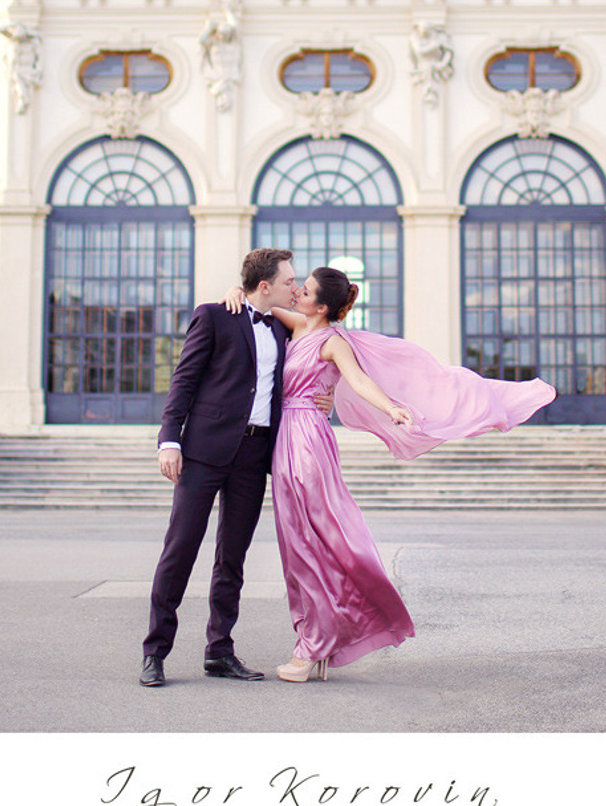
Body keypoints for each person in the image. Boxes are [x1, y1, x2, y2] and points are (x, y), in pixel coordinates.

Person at [222, 265, 556, 682]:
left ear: (322, 307)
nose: (296, 293)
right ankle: (318, 639)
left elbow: (360, 381)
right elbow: (260, 305)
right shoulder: (298, 325)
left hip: (306, 441)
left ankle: (313, 646)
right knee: (298, 544)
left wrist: (392, 407)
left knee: (311, 542)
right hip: (285, 437)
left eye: (304, 291)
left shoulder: (332, 342)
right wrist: (236, 290)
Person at [140, 248, 331, 687]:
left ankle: (220, 652)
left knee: (233, 559)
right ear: (264, 285)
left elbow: (318, 361)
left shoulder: (283, 328)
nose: (295, 287)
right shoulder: (213, 316)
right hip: (204, 451)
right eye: (288, 281)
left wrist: (330, 396)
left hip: (254, 454)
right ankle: (155, 653)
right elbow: (183, 379)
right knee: (180, 550)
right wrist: (169, 440)